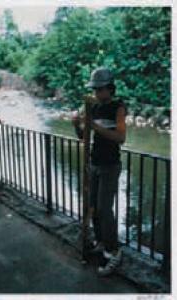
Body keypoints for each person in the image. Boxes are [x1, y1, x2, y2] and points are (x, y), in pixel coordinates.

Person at [72, 67, 126, 276]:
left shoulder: (118, 107)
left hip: (110, 165)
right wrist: (77, 125)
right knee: (94, 206)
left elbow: (121, 138)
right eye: (94, 90)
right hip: (94, 163)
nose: (95, 93)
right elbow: (83, 137)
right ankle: (102, 242)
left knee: (105, 209)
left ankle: (114, 250)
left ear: (109, 88)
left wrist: (94, 126)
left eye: (99, 89)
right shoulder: (93, 107)